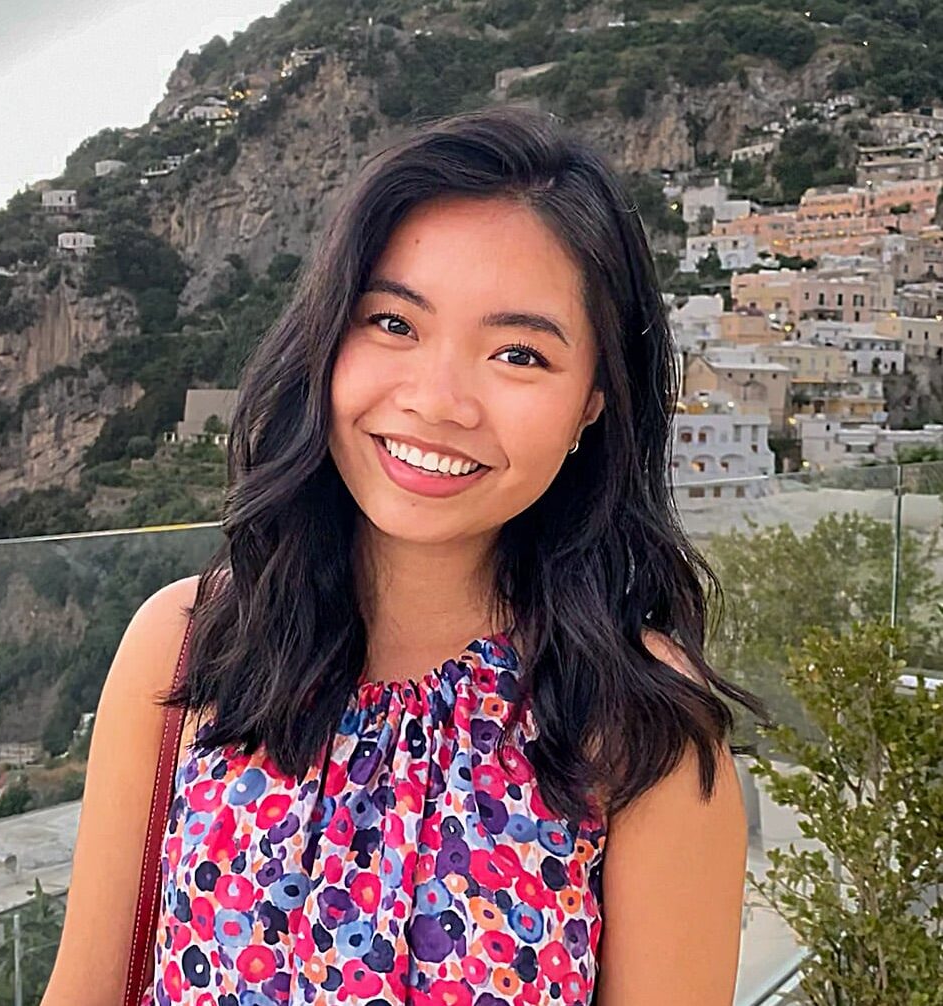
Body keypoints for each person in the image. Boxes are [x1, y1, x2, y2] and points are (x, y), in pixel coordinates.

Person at [42, 105, 768, 1006]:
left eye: (518, 353)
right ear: (327, 340)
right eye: (394, 323)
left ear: (594, 402)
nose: (439, 401)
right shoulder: (190, 647)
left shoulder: (637, 725)